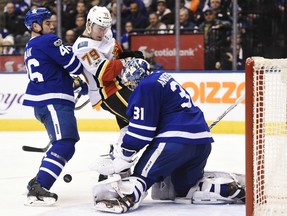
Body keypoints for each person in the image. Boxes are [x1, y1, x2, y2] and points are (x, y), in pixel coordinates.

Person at [91, 59, 244, 213]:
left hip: (174, 143)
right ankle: (228, 188)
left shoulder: (146, 87)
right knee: (185, 188)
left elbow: (142, 132)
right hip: (201, 143)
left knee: (140, 177)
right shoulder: (161, 77)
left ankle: (123, 196)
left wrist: (124, 153)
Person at [22, 7, 84, 206]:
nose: (52, 26)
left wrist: (75, 83)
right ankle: (40, 185)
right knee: (65, 143)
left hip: (47, 102)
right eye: (47, 23)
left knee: (66, 143)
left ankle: (40, 179)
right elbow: (75, 66)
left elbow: (53, 71)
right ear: (36, 26)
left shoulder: (31, 46)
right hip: (53, 102)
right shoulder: (48, 40)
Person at [72, 6, 144, 142]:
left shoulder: (105, 31)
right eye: (99, 28)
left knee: (129, 125)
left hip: (122, 84)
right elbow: (106, 72)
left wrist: (126, 55)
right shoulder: (83, 47)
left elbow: (115, 52)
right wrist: (128, 61)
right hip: (108, 92)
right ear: (89, 24)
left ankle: (118, 156)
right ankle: (120, 155)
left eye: (105, 27)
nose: (103, 32)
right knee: (143, 119)